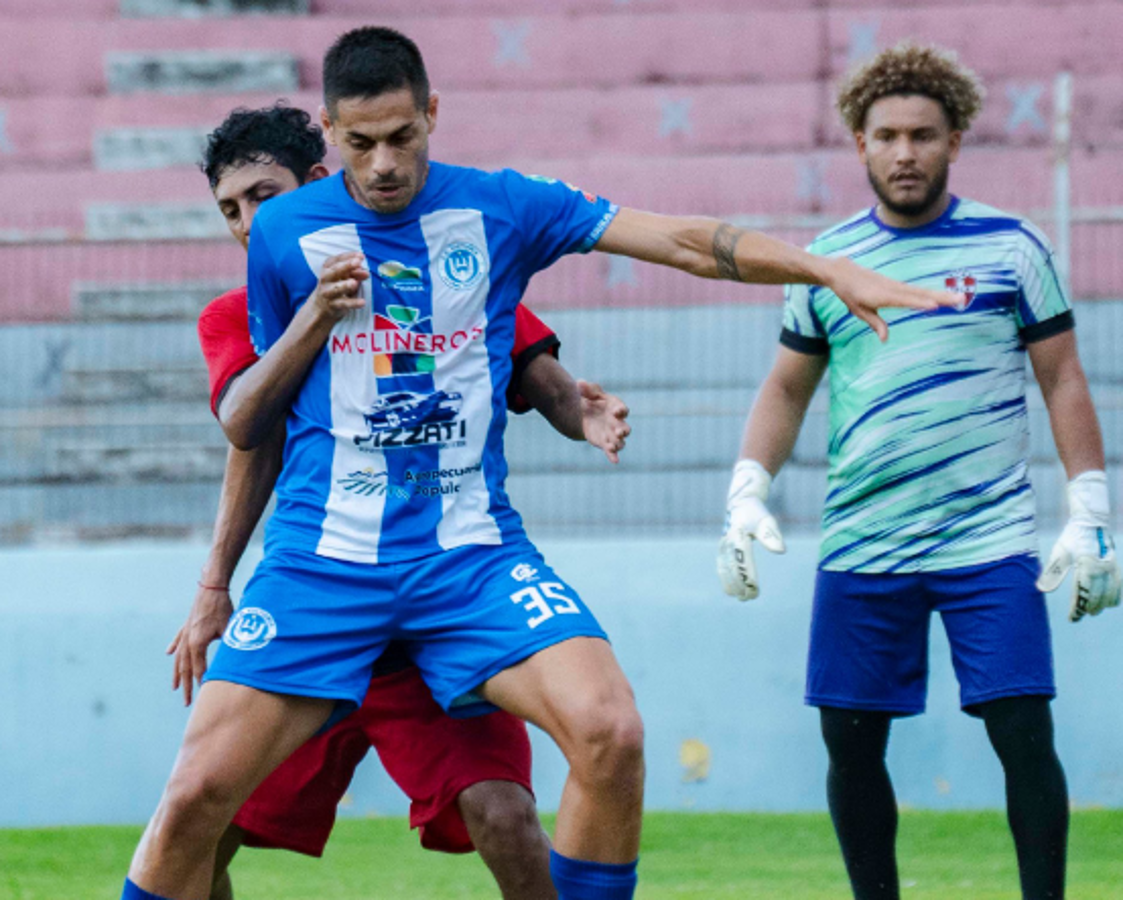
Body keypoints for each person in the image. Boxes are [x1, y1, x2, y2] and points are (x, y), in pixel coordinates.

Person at [122, 27, 959, 900]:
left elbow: (676, 240)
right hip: (322, 564)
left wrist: (824, 270)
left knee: (611, 733)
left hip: (469, 559)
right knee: (192, 805)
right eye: (361, 144)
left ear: (432, 115)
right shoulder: (285, 232)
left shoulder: (502, 208)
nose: (381, 165)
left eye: (402, 137)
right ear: (330, 134)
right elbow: (251, 420)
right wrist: (218, 575)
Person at [168, 102, 632, 900]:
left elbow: (530, 365)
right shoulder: (240, 316)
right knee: (198, 825)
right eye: (230, 209)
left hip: (435, 621)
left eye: (264, 196)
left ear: (320, 181)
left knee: (506, 817)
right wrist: (214, 586)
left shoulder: (442, 262)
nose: (249, 223)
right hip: (321, 613)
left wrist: (576, 407)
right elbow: (253, 442)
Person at [717, 42, 1121, 900]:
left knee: (1021, 730)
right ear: (859, 145)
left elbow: (1061, 378)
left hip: (989, 538)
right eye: (888, 135)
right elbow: (787, 387)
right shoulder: (822, 262)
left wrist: (1089, 506)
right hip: (863, 540)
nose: (905, 152)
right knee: (851, 746)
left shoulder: (1013, 249)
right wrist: (746, 488)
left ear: (954, 142)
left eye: (923, 135)